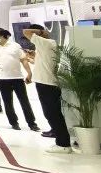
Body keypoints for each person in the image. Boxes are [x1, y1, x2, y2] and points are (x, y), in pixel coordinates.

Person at [24, 24, 72, 154]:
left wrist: (41, 32)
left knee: (53, 114)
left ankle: (63, 144)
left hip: (47, 84)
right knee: (51, 113)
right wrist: (34, 57)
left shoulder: (46, 42)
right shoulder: (46, 45)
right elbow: (44, 62)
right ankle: (61, 141)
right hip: (45, 83)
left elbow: (26, 32)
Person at [0, 28, 39, 131]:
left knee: (24, 101)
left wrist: (29, 73)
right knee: (7, 102)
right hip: (2, 79)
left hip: (17, 78)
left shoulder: (15, 45)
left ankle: (32, 123)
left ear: (2, 35)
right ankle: (13, 122)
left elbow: (23, 60)